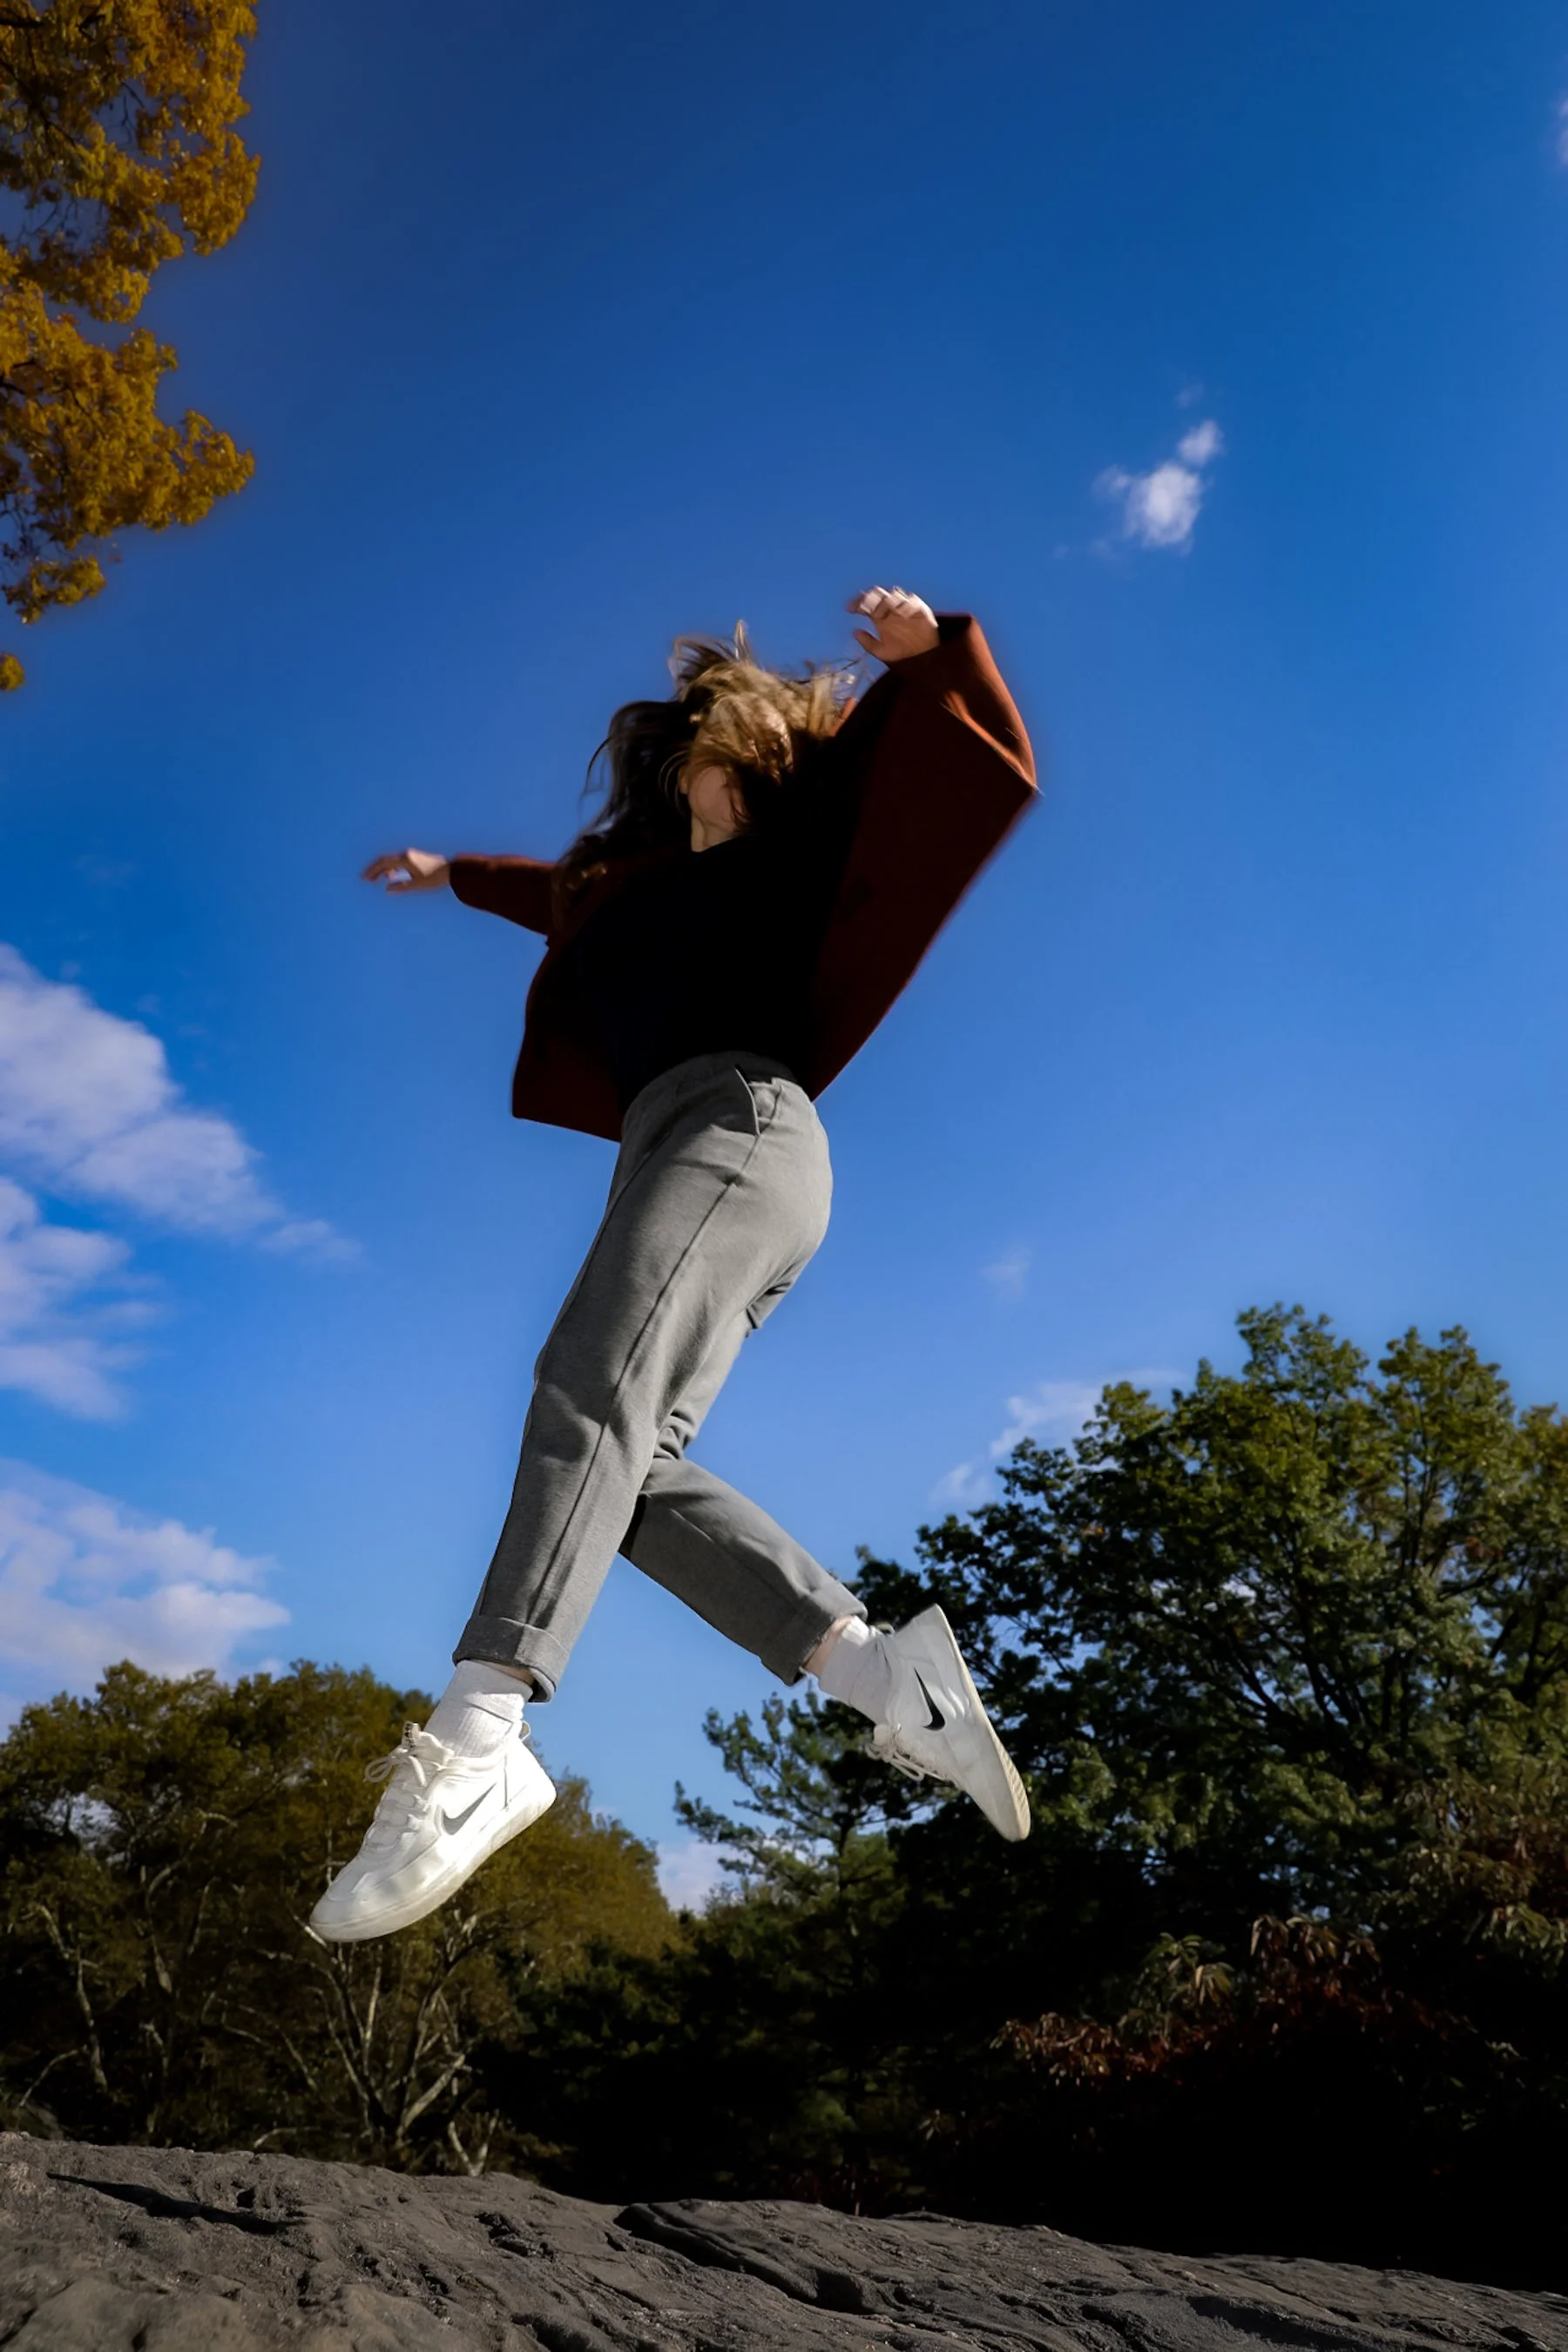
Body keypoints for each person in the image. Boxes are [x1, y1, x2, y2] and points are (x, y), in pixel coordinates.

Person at [311, 586, 1037, 1944]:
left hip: (746, 1124)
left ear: (774, 753)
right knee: (622, 1468)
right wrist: (450, 873)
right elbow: (557, 897)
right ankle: (887, 1681)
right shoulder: (630, 888)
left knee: (586, 1388)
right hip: (674, 1151)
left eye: (743, 734)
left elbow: (948, 769)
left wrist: (936, 656)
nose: (718, 749)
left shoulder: (795, 855)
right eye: (705, 735)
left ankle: (480, 1733)